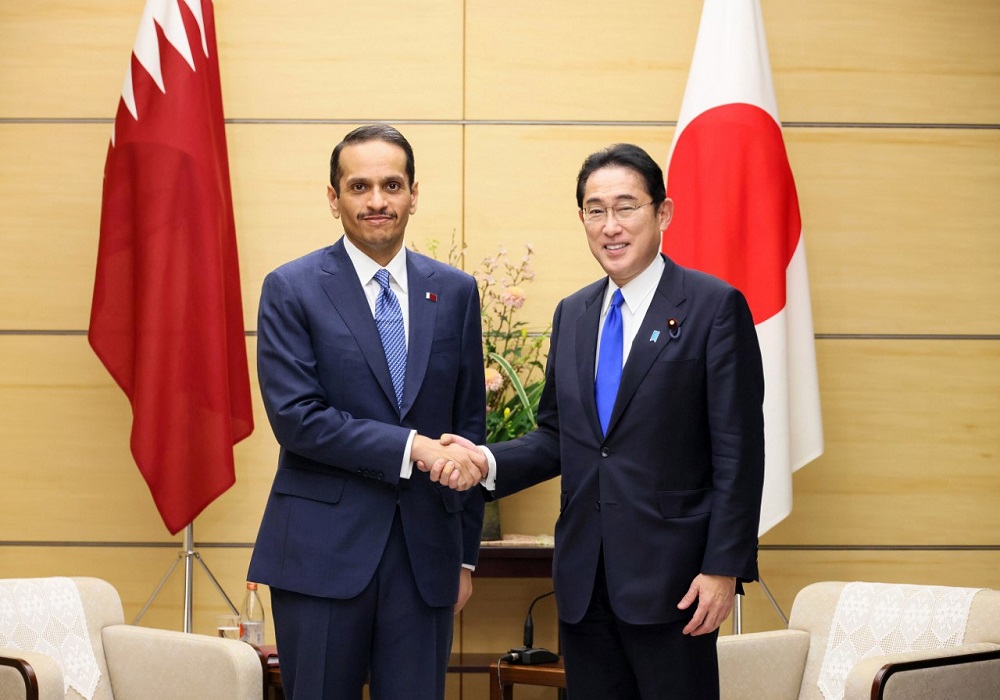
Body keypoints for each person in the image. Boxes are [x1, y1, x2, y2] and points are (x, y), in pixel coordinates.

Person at [428, 143, 765, 699]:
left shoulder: (713, 307)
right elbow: (560, 437)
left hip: (677, 583)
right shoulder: (575, 314)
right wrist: (483, 460)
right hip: (585, 582)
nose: (611, 226)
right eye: (595, 209)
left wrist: (723, 568)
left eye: (626, 207)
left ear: (664, 213)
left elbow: (740, 452)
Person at [248, 124, 488, 700]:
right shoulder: (292, 288)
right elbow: (298, 419)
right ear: (334, 198)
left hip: (426, 558)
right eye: (359, 187)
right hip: (321, 555)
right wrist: (413, 448)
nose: (377, 201)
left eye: (391, 185)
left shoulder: (454, 291)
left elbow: (469, 429)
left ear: (413, 193)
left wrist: (465, 558)